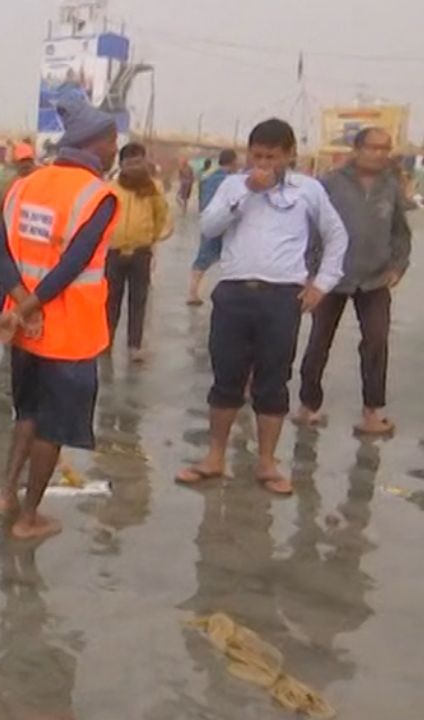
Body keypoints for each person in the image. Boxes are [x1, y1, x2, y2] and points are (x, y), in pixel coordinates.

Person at [177, 119, 348, 496]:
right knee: (226, 379)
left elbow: (336, 237)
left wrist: (322, 284)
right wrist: (245, 195)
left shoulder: (309, 190)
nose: (264, 163)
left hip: (281, 298)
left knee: (273, 381)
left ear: (289, 155)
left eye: (272, 157)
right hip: (234, 293)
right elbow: (208, 228)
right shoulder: (232, 186)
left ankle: (267, 464)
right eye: (257, 155)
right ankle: (214, 457)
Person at [0, 96, 119, 541]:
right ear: (96, 144)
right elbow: (73, 264)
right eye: (113, 140)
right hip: (69, 332)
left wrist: (20, 305)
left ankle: (6, 493)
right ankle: (29, 517)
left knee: (27, 412)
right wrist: (32, 306)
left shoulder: (25, 184)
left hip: (24, 329)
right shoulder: (97, 195)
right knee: (53, 426)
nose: (116, 149)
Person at [294, 127, 411, 435]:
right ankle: (309, 405)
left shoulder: (392, 186)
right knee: (319, 340)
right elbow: (311, 229)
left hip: (374, 279)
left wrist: (398, 266)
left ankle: (372, 411)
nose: (379, 154)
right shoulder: (331, 184)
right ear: (356, 150)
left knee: (376, 341)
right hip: (330, 278)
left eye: (385, 148)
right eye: (373, 148)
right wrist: (311, 274)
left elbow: (401, 231)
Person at [105, 141, 171, 361]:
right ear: (121, 164)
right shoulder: (111, 189)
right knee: (109, 300)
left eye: (139, 162)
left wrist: (150, 239)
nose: (135, 167)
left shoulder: (154, 189)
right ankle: (105, 343)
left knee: (139, 300)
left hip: (141, 253)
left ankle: (134, 346)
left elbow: (161, 216)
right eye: (130, 163)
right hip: (113, 253)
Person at [187, 149, 240, 305]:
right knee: (233, 258)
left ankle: (193, 292)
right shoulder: (231, 181)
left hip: (208, 221)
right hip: (226, 223)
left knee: (203, 258)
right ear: (233, 162)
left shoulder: (208, 178)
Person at [0, 144, 38, 245]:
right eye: (22, 161)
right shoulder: (6, 186)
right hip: (12, 237)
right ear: (15, 163)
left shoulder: (44, 181)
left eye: (28, 161)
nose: (26, 165)